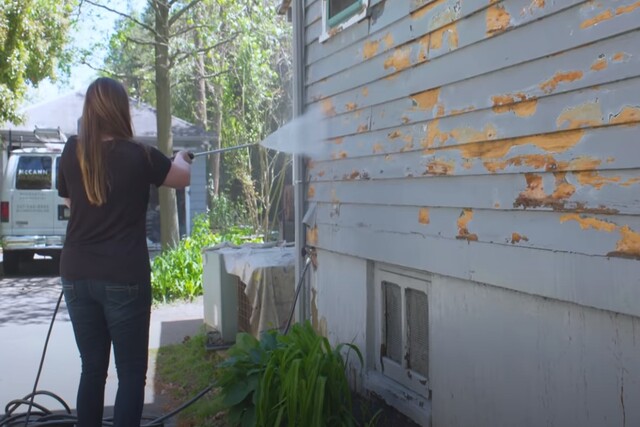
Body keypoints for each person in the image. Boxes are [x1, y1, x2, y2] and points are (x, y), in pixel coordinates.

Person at [57, 77, 192, 427]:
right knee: (131, 373)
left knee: (92, 369)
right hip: (123, 277)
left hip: (76, 276)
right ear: (120, 110)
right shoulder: (141, 156)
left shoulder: (72, 151)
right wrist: (181, 158)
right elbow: (182, 179)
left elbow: (71, 201)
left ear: (90, 110)